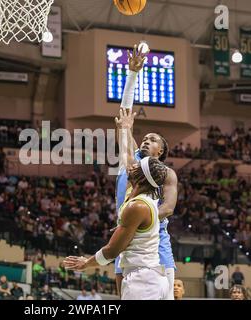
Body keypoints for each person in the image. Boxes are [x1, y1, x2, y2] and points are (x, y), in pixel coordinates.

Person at [113, 44, 178, 300]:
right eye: (144, 137)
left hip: (155, 243)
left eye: (152, 139)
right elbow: (124, 116)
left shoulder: (168, 174)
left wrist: (139, 221)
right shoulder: (130, 164)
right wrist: (132, 74)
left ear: (161, 151)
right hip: (126, 241)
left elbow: (169, 208)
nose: (145, 140)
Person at [64, 154, 170, 300]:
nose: (133, 165)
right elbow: (127, 154)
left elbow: (112, 251)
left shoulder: (137, 206)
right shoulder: (143, 200)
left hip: (143, 282)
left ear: (142, 177)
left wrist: (87, 263)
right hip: (151, 278)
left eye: (138, 166)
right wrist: (125, 131)